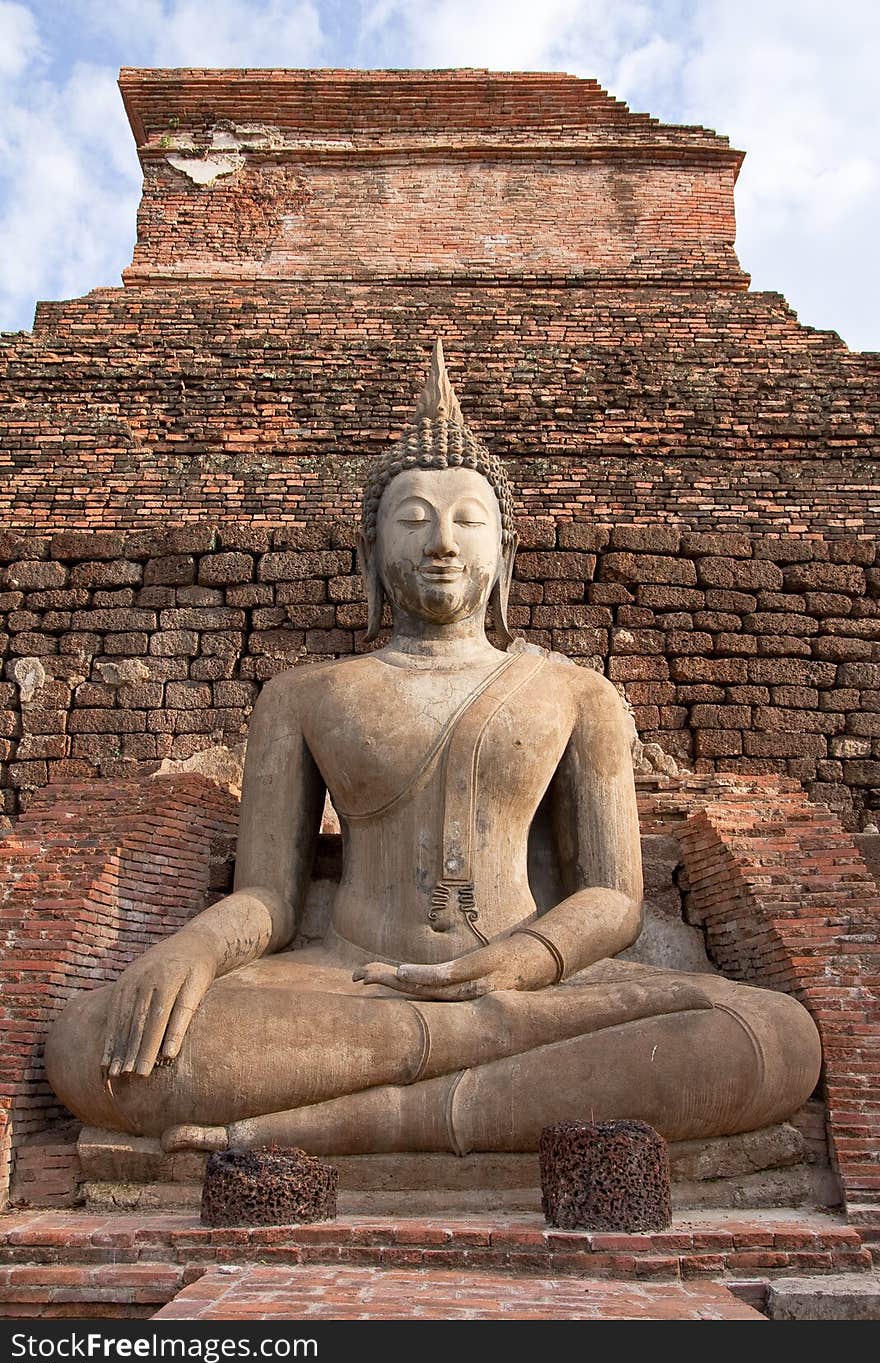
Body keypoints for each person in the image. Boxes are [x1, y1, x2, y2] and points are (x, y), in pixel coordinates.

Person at [46, 344, 821, 1156]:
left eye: (467, 520)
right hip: (346, 991)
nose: (442, 543)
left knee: (771, 1033)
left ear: (506, 553)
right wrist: (193, 949)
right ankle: (483, 1096)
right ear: (372, 555)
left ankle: (352, 1118)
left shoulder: (577, 693)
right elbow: (271, 898)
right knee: (89, 1044)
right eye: (413, 520)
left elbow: (613, 899)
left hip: (529, 989)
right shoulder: (304, 696)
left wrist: (521, 965)